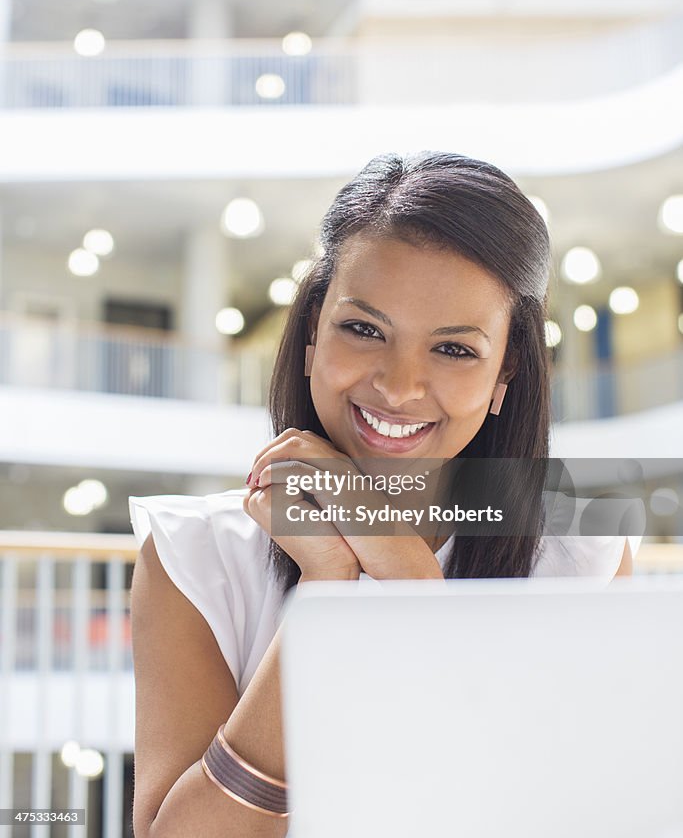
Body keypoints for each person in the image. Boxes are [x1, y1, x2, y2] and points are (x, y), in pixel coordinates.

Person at [129, 151, 638, 838]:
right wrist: (328, 592)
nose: (398, 388)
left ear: (504, 374)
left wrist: (407, 578)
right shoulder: (192, 554)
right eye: (363, 329)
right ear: (312, 334)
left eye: (454, 350)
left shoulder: (583, 557)